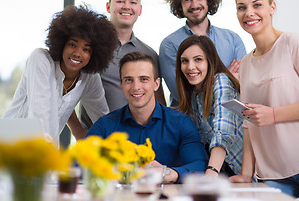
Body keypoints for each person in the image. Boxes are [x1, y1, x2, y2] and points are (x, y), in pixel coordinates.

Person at [230, 0, 299, 197]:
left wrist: (273, 114)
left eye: (257, 5)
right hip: (270, 174)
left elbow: (268, 115)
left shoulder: (293, 43)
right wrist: (246, 173)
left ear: (272, 7)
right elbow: (248, 121)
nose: (249, 13)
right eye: (242, 7)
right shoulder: (247, 62)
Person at [86, 51, 208, 183]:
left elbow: (199, 165)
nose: (136, 87)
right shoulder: (105, 125)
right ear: (121, 86)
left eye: (144, 79)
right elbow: (79, 164)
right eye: (128, 80)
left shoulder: (181, 122)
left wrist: (169, 173)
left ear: (156, 84)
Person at [3, 5, 118, 144]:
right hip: (8, 144)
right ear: (62, 43)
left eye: (86, 49)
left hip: (44, 152)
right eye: (72, 44)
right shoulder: (40, 59)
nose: (77, 53)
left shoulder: (90, 79)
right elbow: (40, 116)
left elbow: (103, 119)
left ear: (95, 54)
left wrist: (122, 149)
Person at [80, 0, 165, 128]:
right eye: (120, 1)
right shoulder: (88, 47)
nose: (127, 7)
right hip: (94, 140)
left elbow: (159, 105)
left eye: (133, 2)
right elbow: (65, 93)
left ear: (140, 9)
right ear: (108, 6)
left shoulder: (150, 54)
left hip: (137, 142)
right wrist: (78, 132)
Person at [160, 0, 246, 106]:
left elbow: (243, 86)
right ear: (179, 4)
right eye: (187, 0)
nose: (194, 5)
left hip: (228, 122)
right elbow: (183, 94)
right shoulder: (170, 44)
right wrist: (225, 78)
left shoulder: (232, 39)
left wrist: (205, 83)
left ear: (208, 0)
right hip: (186, 124)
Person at [175, 35, 243, 177]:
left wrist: (211, 171)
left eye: (198, 59)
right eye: (184, 61)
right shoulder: (194, 93)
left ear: (210, 61)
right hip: (225, 173)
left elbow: (223, 130)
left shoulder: (221, 81)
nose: (190, 67)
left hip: (244, 172)